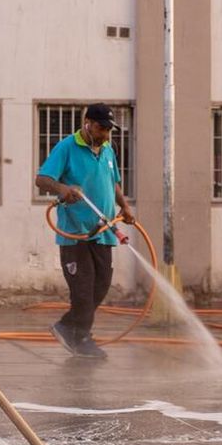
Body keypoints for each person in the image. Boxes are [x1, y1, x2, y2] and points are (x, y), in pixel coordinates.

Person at [36, 103, 135, 359]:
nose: (105, 134)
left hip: (103, 232)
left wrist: (124, 207)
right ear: (88, 123)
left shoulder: (107, 150)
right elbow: (42, 179)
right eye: (102, 128)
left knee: (100, 287)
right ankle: (81, 337)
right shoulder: (67, 147)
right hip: (76, 234)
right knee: (83, 289)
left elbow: (113, 184)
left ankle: (68, 328)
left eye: (108, 130)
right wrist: (63, 190)